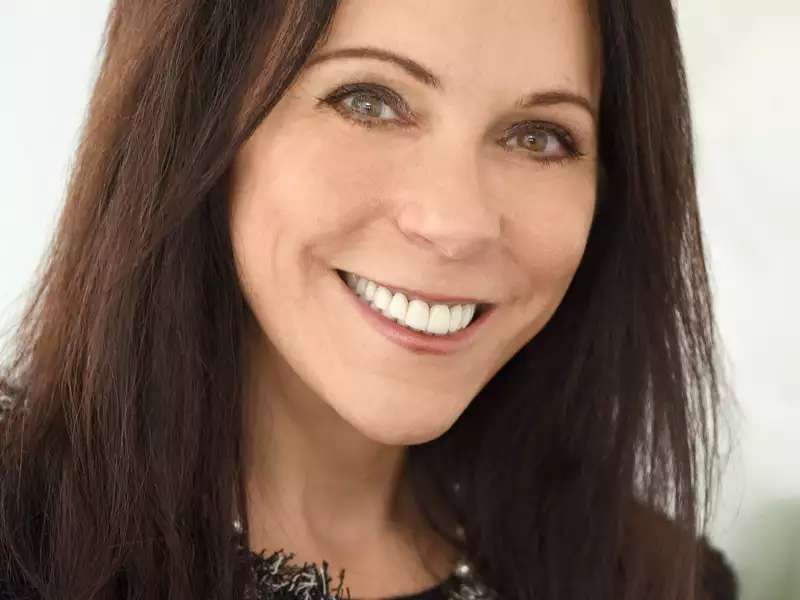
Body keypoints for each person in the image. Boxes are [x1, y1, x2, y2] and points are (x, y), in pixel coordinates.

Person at [0, 1, 729, 599]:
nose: (456, 222)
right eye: (370, 100)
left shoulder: (657, 583)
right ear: (196, 121)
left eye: (539, 137)